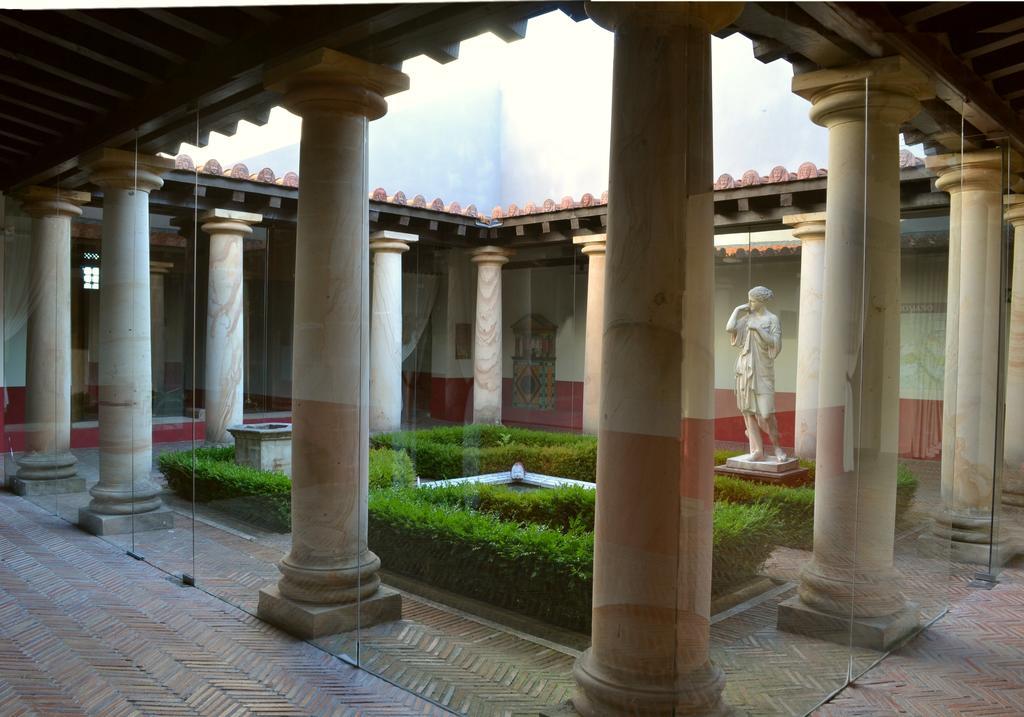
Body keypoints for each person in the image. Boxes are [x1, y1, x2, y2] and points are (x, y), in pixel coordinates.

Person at [726, 286, 786, 461]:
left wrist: (758, 329)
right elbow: (730, 328)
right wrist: (737, 310)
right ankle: (757, 451)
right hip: (745, 368)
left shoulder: (772, 319)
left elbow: (776, 343)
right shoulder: (747, 318)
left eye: (752, 301)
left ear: (761, 301)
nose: (749, 303)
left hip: (763, 369)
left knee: (767, 414)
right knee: (748, 411)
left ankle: (777, 448)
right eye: (749, 300)